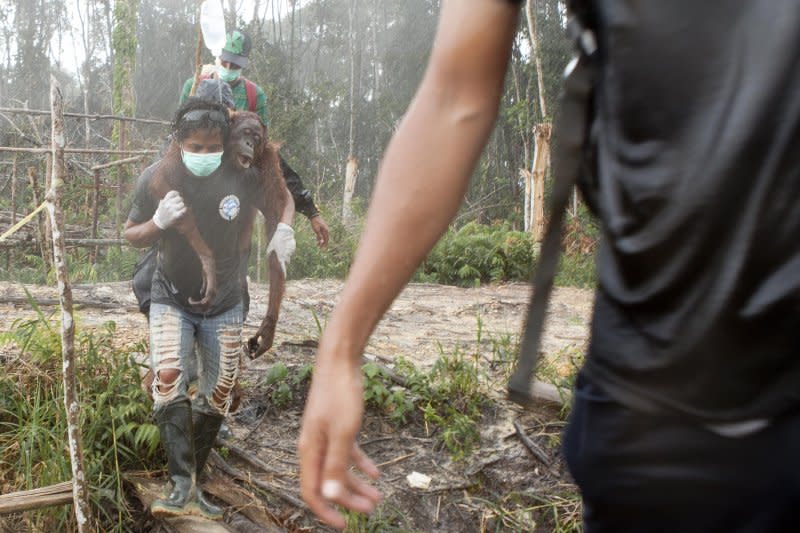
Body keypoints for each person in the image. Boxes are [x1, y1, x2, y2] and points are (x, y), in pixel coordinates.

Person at [297, 0, 800, 531]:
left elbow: (454, 101)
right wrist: (341, 348)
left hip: (662, 397)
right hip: (663, 397)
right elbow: (454, 98)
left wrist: (343, 347)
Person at [124, 97, 295, 520]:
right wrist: (158, 222)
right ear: (180, 143)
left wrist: (287, 225)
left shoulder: (243, 173)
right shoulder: (159, 176)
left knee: (219, 393)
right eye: (194, 148)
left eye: (211, 147)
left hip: (225, 303)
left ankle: (194, 482)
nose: (204, 155)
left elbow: (282, 195)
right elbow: (130, 234)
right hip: (171, 294)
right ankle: (179, 482)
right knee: (168, 377)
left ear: (224, 141)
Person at [179, 29, 330, 248]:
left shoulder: (253, 95)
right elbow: (176, 138)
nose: (228, 69)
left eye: (235, 65)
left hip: (234, 183)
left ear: (244, 64)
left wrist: (311, 211)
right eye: (225, 62)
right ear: (218, 56)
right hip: (197, 175)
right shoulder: (194, 85)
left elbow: (268, 156)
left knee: (238, 239)